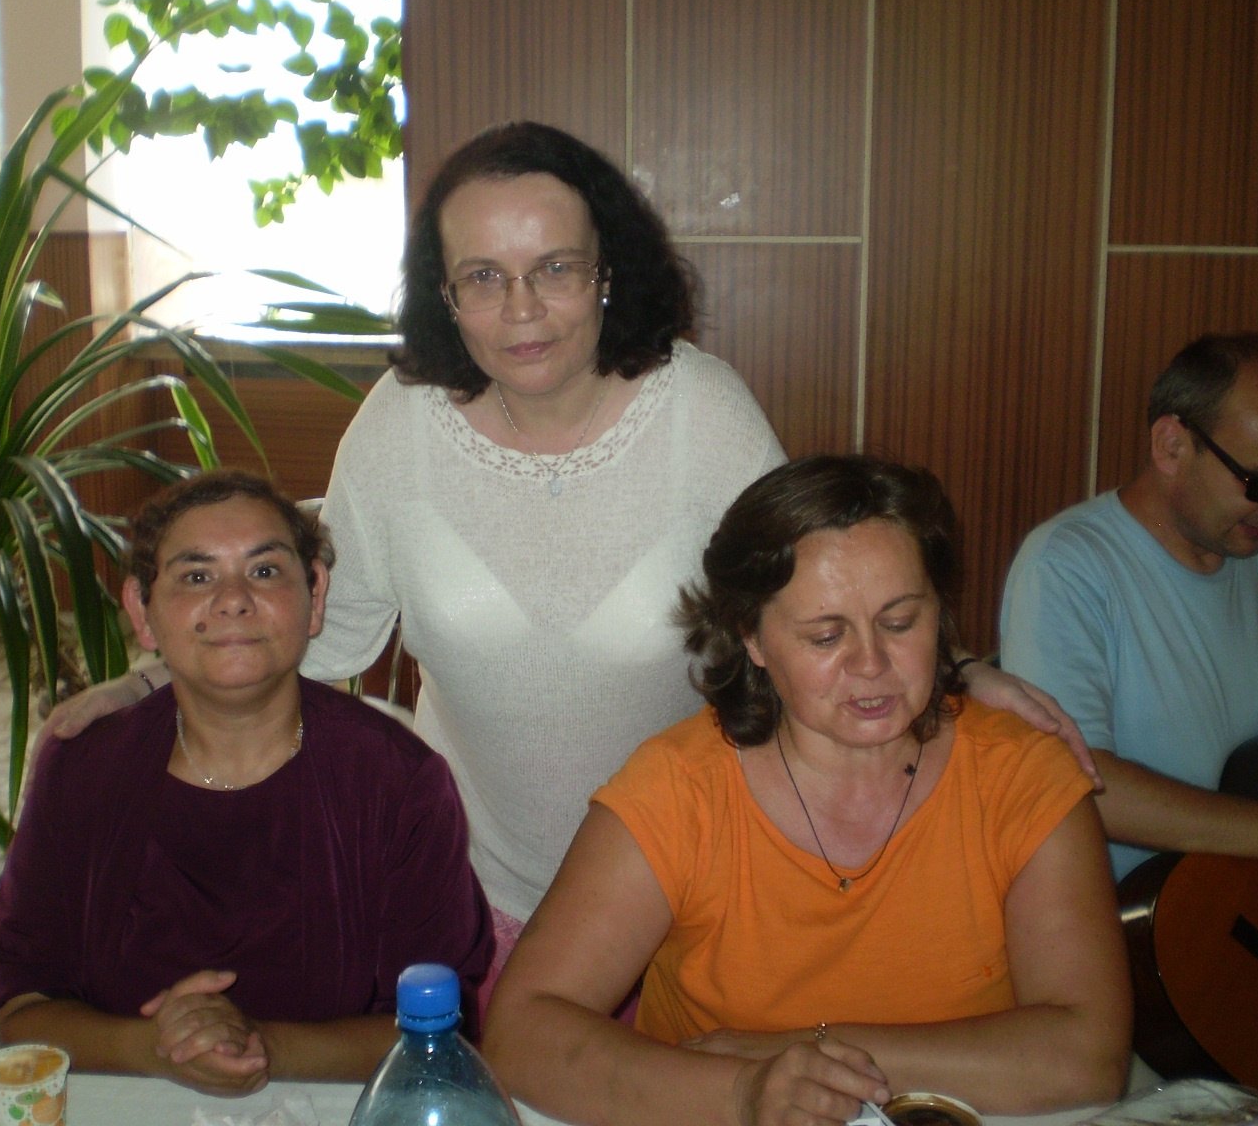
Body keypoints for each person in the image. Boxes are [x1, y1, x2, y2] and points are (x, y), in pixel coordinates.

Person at [40, 122, 1088, 974]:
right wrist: (146, 688)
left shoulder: (701, 411)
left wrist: (958, 674)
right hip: (462, 891)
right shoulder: (400, 424)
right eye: (482, 277)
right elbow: (318, 635)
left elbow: (816, 592)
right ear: (445, 295)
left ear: (608, 274)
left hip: (687, 891)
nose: (522, 309)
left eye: (554, 268)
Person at [484, 455, 1130, 1126]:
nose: (871, 664)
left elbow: (1089, 1056)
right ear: (752, 638)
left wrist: (805, 1052)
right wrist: (745, 1092)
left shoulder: (1021, 775)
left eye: (900, 623)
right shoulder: (681, 790)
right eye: (826, 636)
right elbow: (519, 1034)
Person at [0, 471, 493, 1095]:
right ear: (142, 610)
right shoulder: (84, 771)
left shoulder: (397, 783)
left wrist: (262, 1046)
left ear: (316, 596)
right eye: (196, 576)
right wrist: (155, 1048)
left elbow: (441, 1030)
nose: (234, 599)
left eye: (265, 571)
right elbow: (22, 1008)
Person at [1000, 332, 1258, 936]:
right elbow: (1075, 786)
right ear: (1172, 446)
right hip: (1136, 938)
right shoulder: (1067, 566)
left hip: (1245, 916)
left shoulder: (1249, 550)